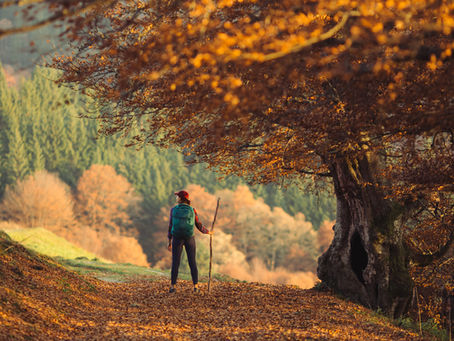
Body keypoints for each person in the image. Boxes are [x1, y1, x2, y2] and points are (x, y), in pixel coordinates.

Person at [168, 190, 211, 293]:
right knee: (192, 262)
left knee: (175, 262)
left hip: (177, 238)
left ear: (181, 198)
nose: (176, 198)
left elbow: (171, 226)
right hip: (189, 238)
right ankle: (196, 286)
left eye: (177, 196)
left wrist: (169, 240)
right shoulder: (192, 210)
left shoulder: (173, 210)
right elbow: (198, 224)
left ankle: (173, 287)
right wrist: (208, 232)